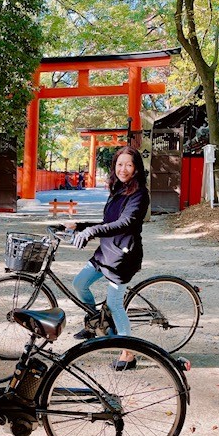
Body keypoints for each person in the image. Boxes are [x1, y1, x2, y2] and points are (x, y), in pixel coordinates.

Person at [65, 146, 150, 371]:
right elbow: (108, 220)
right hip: (105, 251)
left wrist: (91, 232)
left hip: (123, 256)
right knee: (79, 283)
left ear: (136, 168)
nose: (123, 169)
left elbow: (125, 223)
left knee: (114, 304)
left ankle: (128, 354)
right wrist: (81, 225)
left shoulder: (139, 193)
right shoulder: (119, 188)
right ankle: (95, 325)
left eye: (129, 165)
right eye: (120, 164)